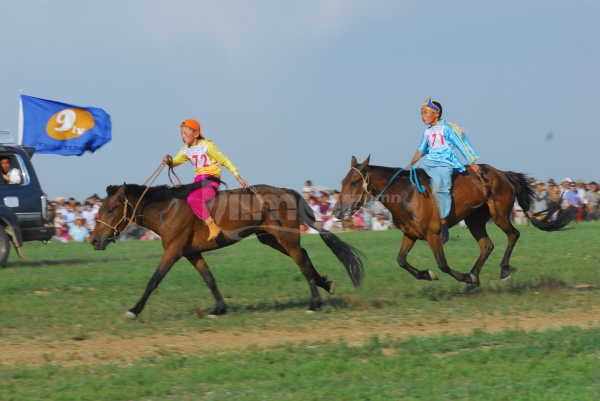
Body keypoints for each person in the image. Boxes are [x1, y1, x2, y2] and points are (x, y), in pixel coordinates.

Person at [405, 98, 481, 244]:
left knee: (440, 188)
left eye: (425, 113)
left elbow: (460, 144)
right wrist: (410, 164)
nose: (423, 116)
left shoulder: (447, 128)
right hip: (429, 162)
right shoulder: (427, 132)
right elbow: (421, 150)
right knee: (414, 180)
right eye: (422, 113)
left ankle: (443, 221)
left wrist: (472, 163)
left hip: (445, 163)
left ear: (436, 113)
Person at [163, 119, 248, 241]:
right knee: (181, 198)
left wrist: (237, 176)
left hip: (211, 180)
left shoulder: (207, 145)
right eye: (181, 133)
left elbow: (224, 160)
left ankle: (212, 226)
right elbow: (175, 161)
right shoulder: (185, 150)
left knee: (193, 199)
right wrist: (169, 161)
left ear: (196, 133)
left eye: (185, 133)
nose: (183, 136)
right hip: (198, 182)